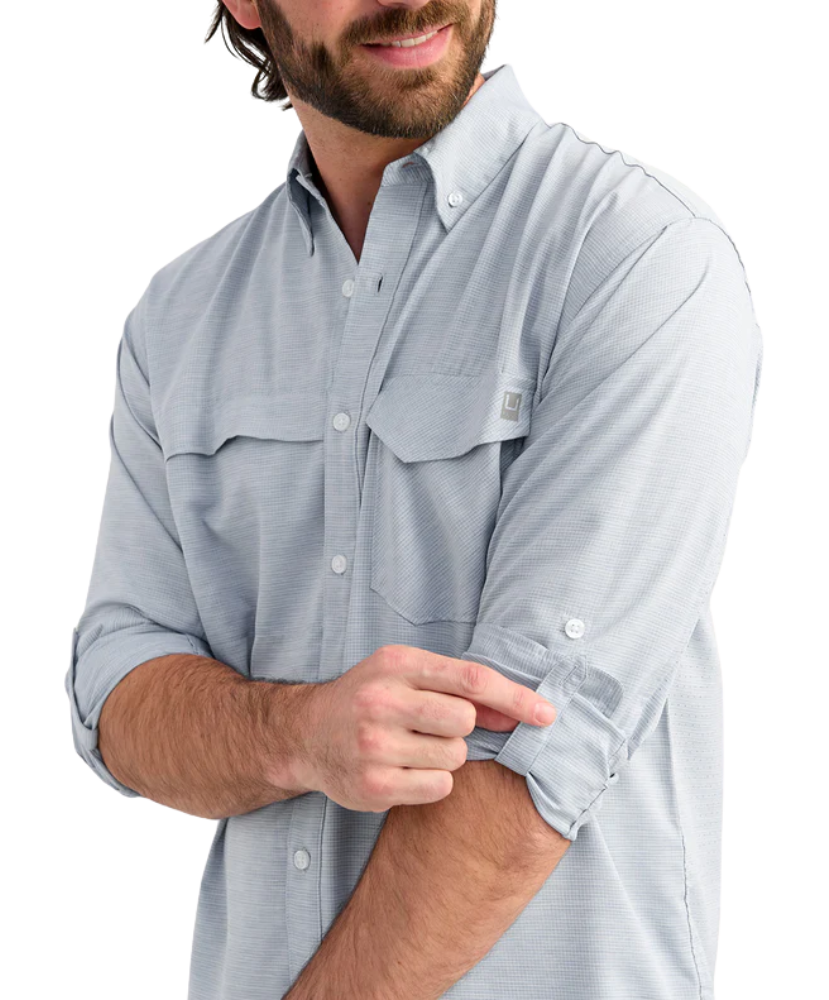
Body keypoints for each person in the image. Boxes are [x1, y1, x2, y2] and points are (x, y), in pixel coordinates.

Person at [64, 2, 762, 998]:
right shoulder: (179, 314)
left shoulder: (636, 253)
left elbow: (529, 758)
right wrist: (297, 733)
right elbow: (118, 694)